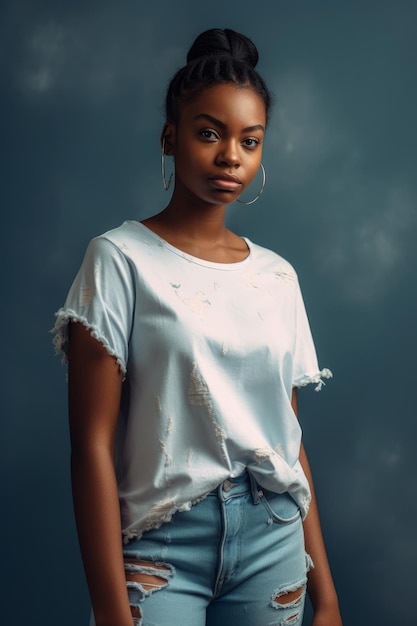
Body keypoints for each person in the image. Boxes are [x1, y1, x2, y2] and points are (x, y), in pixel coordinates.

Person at [53, 28, 342, 626]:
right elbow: (91, 447)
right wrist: (111, 610)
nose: (230, 155)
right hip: (162, 543)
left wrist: (328, 596)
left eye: (250, 140)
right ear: (171, 136)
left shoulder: (277, 277)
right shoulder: (118, 259)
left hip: (274, 537)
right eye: (209, 133)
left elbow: (286, 440)